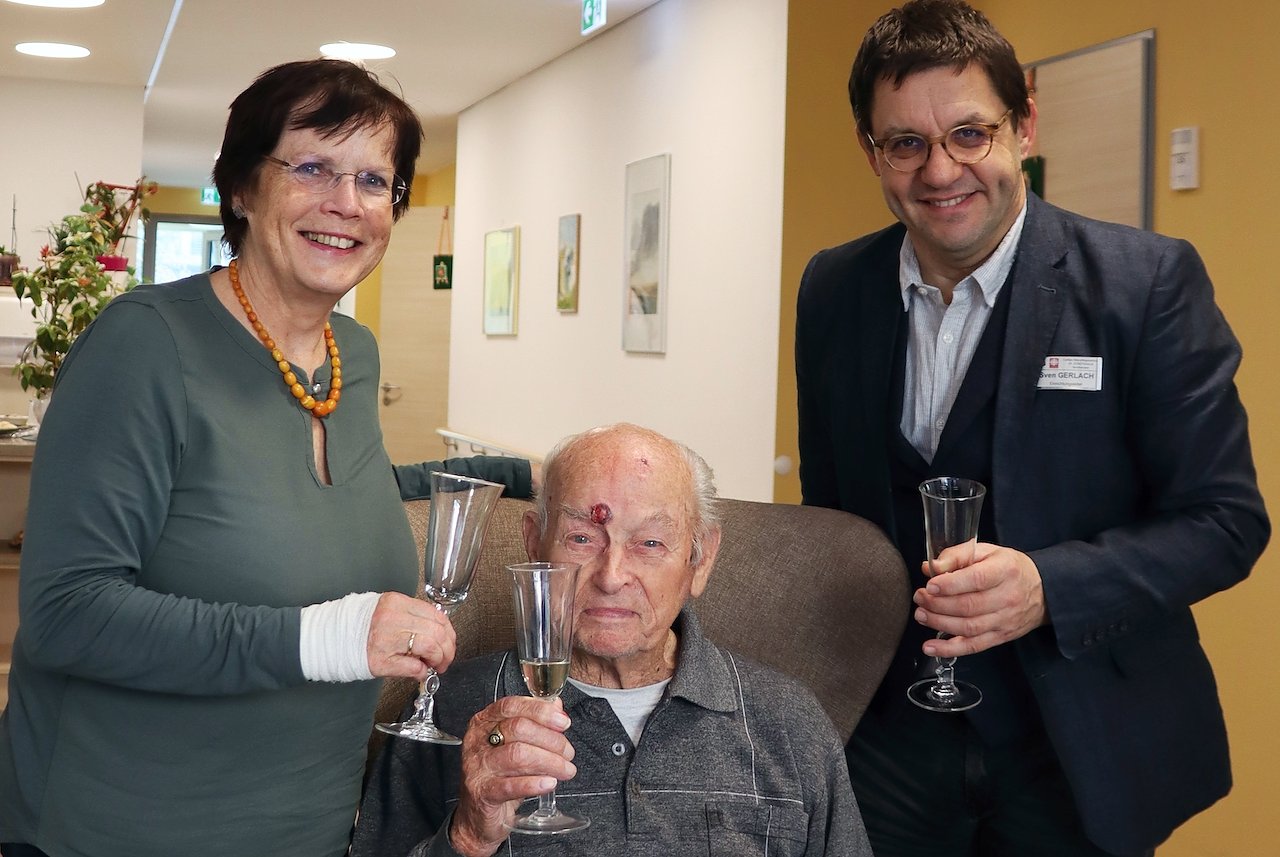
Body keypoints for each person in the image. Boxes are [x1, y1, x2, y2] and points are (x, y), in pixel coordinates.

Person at [0, 59, 535, 857]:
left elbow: (310, 498)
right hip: (119, 829)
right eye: (312, 167)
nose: (345, 202)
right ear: (243, 188)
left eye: (373, 180)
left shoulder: (352, 353)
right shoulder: (143, 346)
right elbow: (66, 611)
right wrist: (328, 637)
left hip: (309, 825)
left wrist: (522, 475)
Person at [794, 2, 1270, 856]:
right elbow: (831, 520)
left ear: (1024, 126)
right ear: (872, 151)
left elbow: (1225, 522)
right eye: (906, 143)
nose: (941, 170)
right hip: (887, 744)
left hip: (1079, 742)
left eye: (969, 134)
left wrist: (1050, 586)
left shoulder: (1146, 285)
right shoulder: (832, 289)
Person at [352, 423, 871, 857]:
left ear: (701, 559)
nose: (611, 575)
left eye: (650, 543)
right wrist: (466, 837)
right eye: (582, 538)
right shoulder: (450, 713)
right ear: (534, 542)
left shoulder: (788, 723)